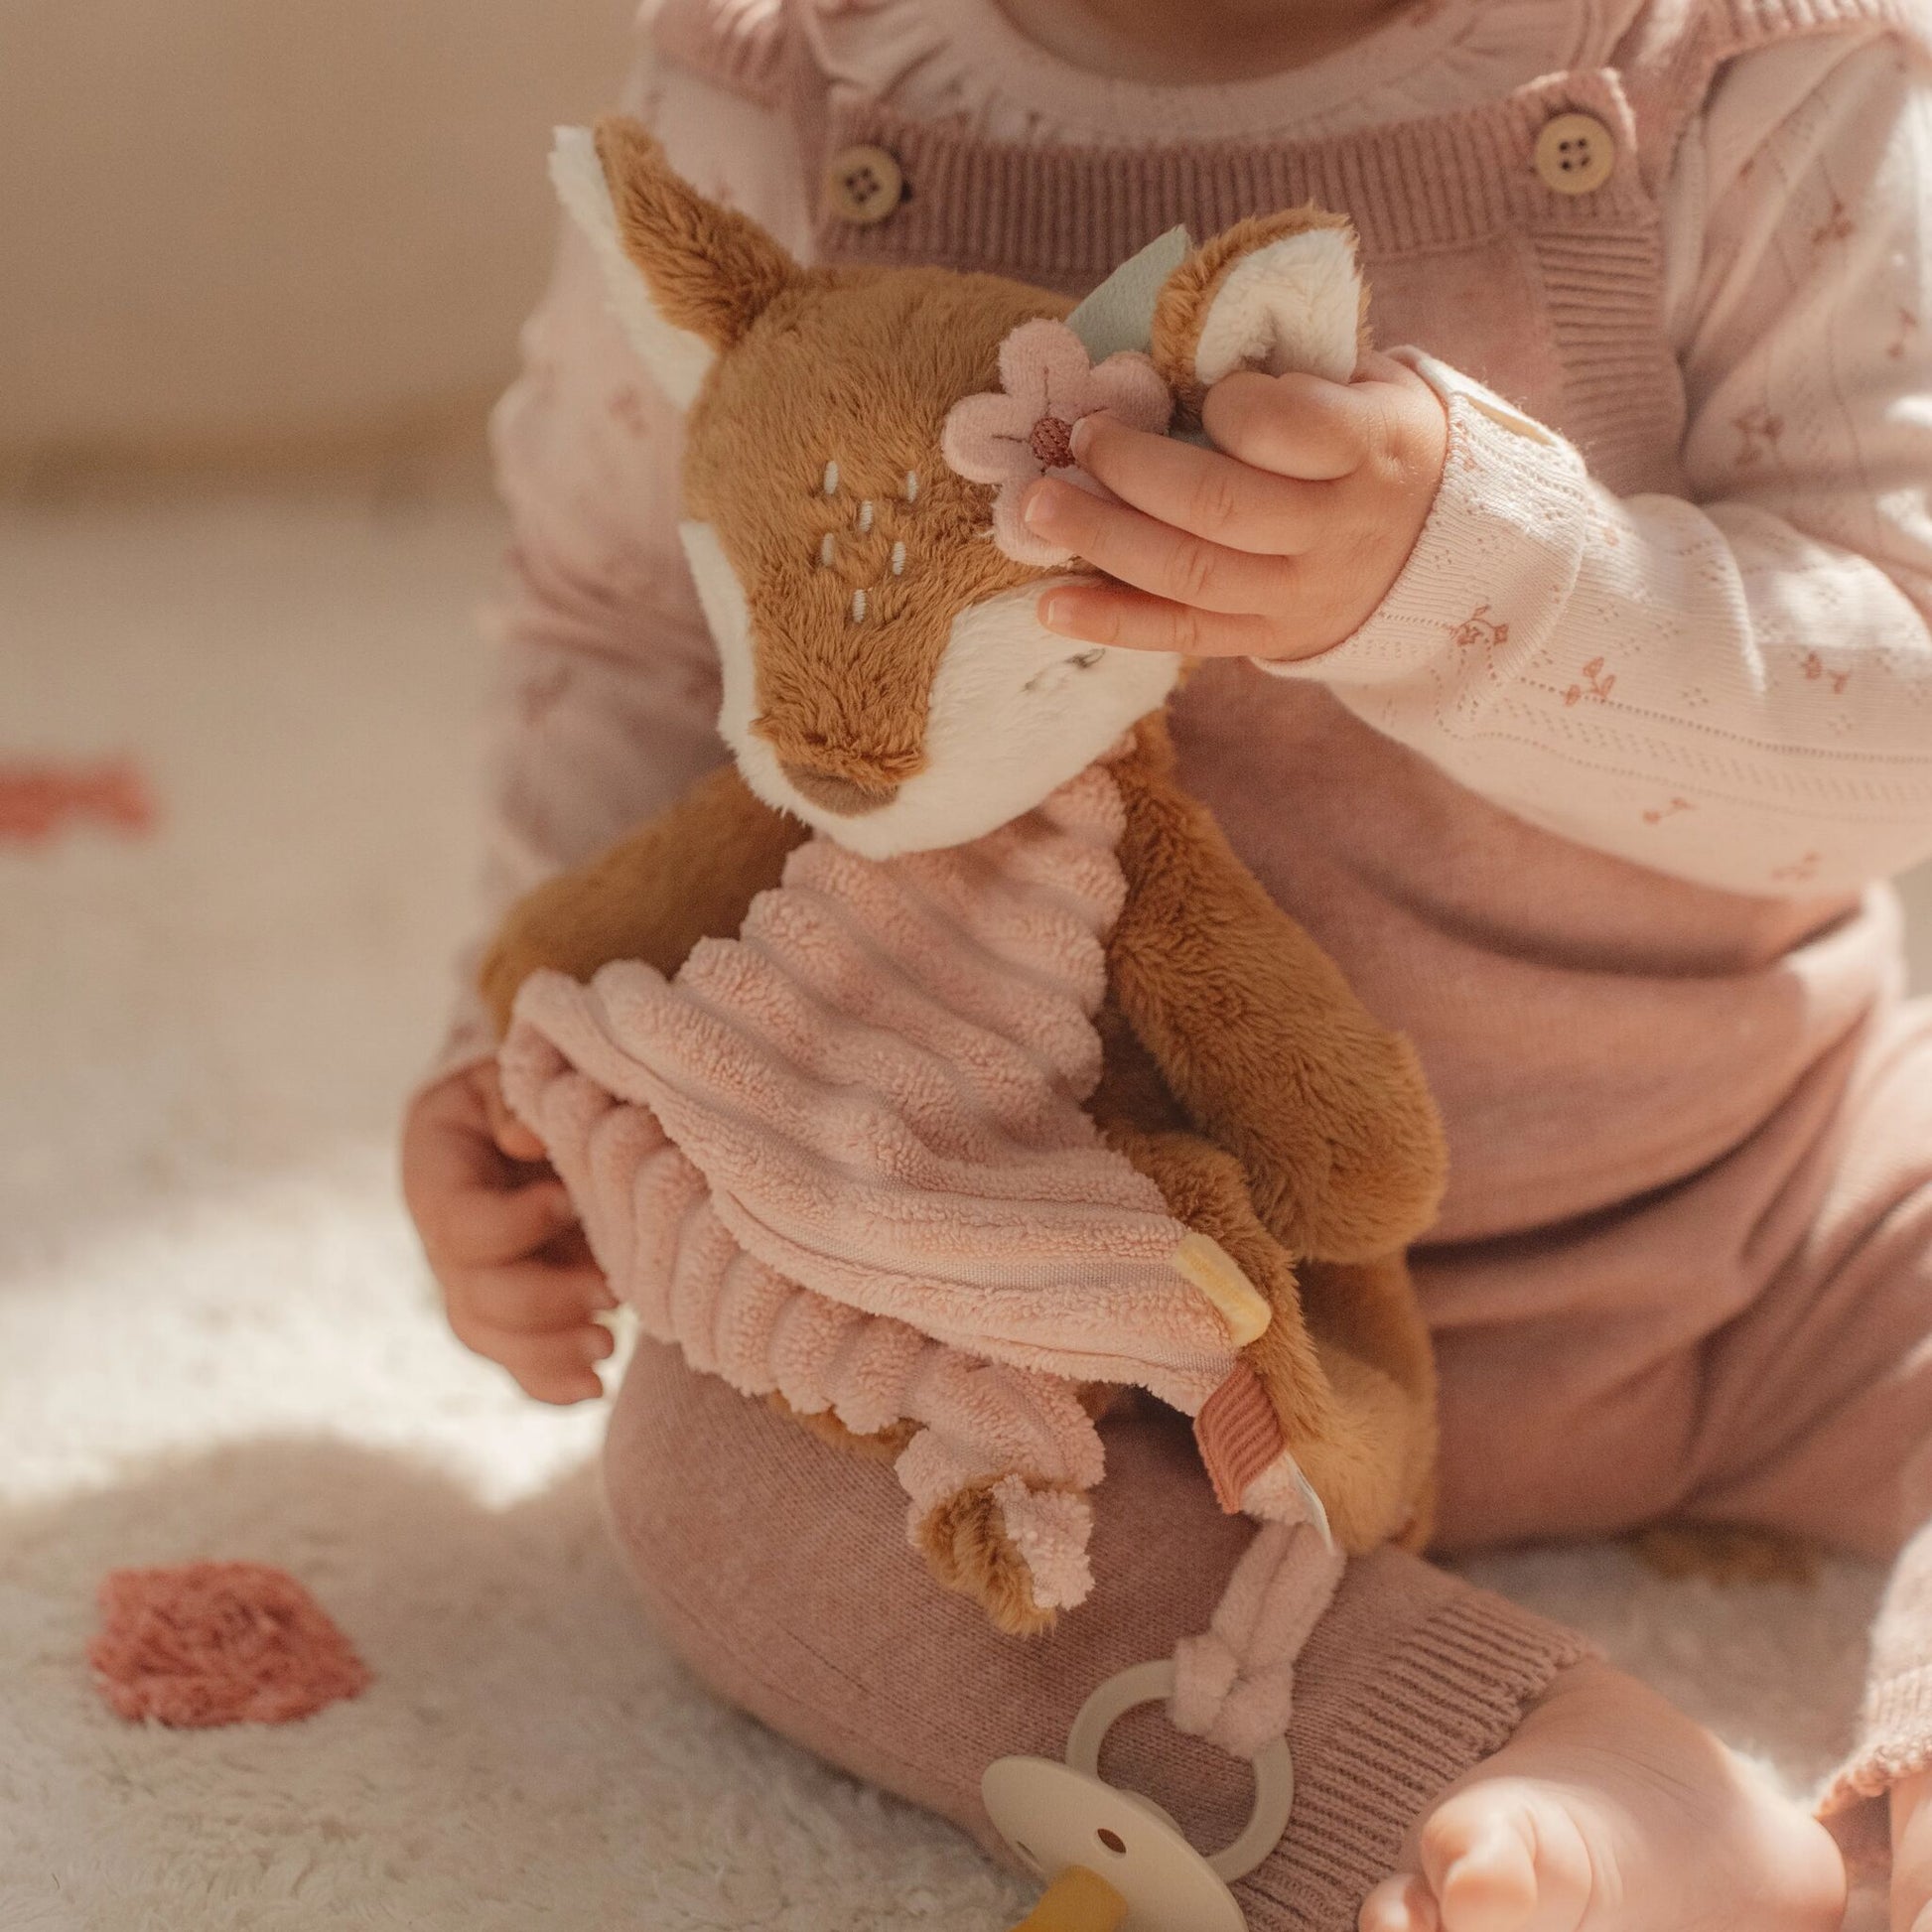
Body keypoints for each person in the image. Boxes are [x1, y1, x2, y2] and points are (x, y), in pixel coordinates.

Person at [400, 1, 1932, 1924]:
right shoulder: (785, 88)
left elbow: (1898, 698)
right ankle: (1503, 1755)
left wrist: (1463, 573)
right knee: (718, 1470)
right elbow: (628, 632)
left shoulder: (1750, 69)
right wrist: (525, 1058)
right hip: (1061, 1281)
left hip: (1762, 1205)